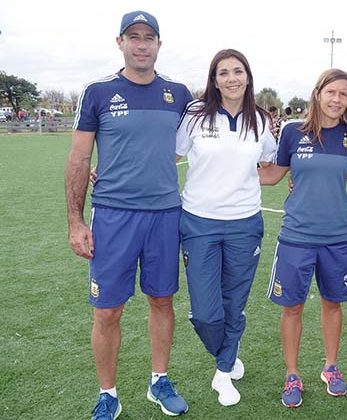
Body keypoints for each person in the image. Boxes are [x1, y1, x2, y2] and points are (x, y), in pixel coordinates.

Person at [65, 10, 191, 420]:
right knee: (107, 311)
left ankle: (159, 381)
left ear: (159, 44)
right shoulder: (98, 92)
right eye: (133, 36)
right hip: (114, 217)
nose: (141, 44)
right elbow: (80, 157)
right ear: (120, 42)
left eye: (148, 37)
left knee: (162, 300)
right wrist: (75, 220)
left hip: (164, 216)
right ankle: (108, 394)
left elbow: (202, 140)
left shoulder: (178, 93)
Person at [176, 49, 277, 406]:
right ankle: (227, 353)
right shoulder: (193, 115)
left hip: (245, 224)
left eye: (238, 71)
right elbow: (168, 155)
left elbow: (272, 165)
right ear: (214, 79)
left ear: (248, 76)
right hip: (199, 222)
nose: (232, 78)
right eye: (224, 72)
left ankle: (223, 372)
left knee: (234, 304)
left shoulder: (261, 120)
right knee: (205, 312)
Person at [258, 68, 347, 408]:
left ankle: (330, 367)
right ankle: (292, 373)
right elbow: (274, 175)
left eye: (343, 94)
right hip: (296, 238)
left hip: (337, 238)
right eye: (331, 92)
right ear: (318, 93)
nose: (336, 99)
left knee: (333, 304)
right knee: (293, 307)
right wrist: (228, 166)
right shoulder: (292, 131)